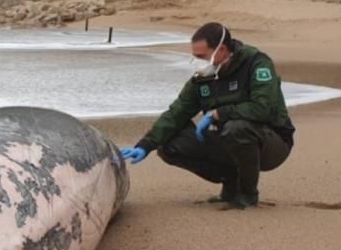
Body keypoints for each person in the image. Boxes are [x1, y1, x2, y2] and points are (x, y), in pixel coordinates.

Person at [119, 22, 295, 209]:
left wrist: (218, 114)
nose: (198, 62)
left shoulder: (257, 63)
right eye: (194, 57)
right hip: (227, 139)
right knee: (169, 144)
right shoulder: (203, 78)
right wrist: (145, 145)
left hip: (272, 142)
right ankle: (230, 181)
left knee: (236, 128)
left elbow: (263, 108)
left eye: (202, 56)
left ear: (222, 50)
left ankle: (247, 195)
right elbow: (176, 113)